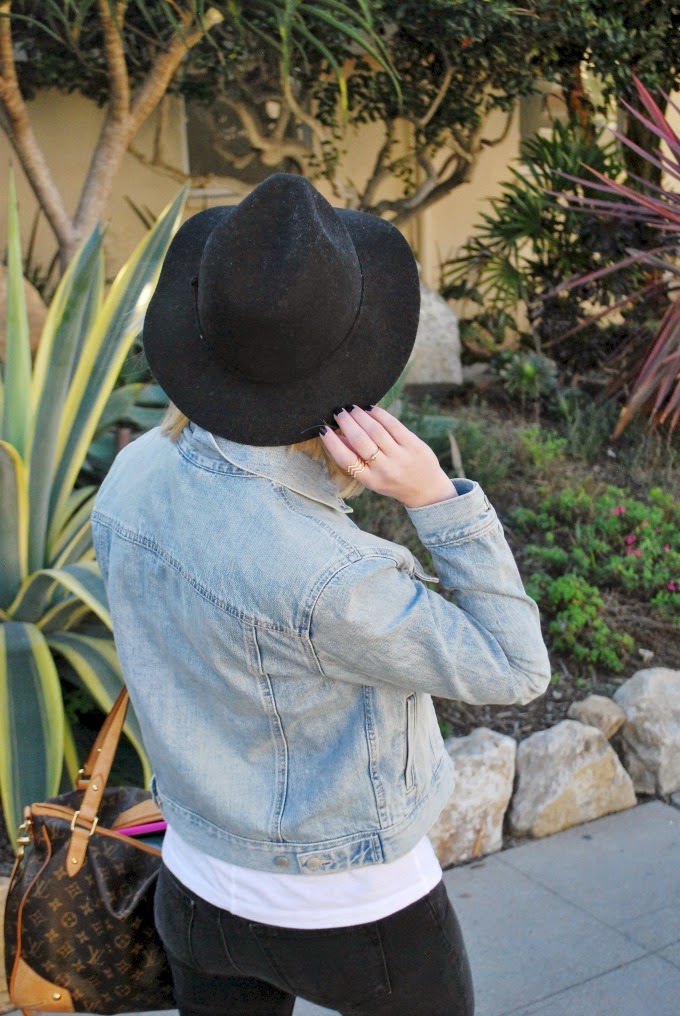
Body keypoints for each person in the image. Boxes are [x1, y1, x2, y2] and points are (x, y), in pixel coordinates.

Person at [92, 173, 551, 1016]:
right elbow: (516, 667)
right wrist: (437, 501)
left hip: (195, 885)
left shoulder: (132, 474)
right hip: (353, 911)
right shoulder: (334, 575)